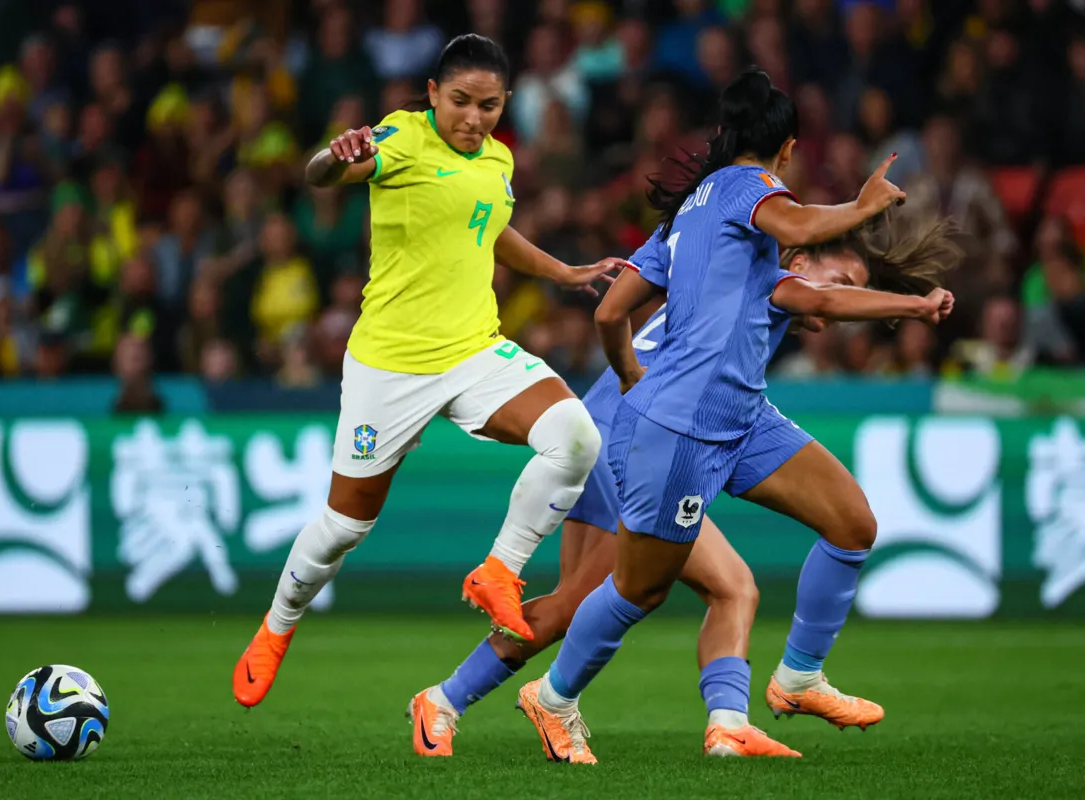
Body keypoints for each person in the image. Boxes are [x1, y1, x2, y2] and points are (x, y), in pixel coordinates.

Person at [514, 68, 958, 764]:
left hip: (742, 415)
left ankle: (799, 677)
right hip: (686, 425)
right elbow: (806, 224)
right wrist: (866, 205)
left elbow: (609, 311)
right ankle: (554, 695)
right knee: (636, 588)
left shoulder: (702, 213)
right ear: (785, 148)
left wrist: (915, 305)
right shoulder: (750, 192)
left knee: (851, 523)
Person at [407, 207, 961, 758]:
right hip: (638, 437)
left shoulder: (725, 278)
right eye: (841, 279)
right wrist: (913, 303)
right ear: (796, 256)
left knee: (694, 591)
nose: (842, 300)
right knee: (661, 594)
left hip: (616, 424)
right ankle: (452, 699)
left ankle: (724, 725)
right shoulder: (763, 276)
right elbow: (816, 301)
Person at [233, 34, 627, 709]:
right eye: (461, 103)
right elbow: (322, 175)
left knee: (576, 437)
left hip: (473, 349)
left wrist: (562, 270)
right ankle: (276, 627)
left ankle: (498, 570)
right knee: (343, 529)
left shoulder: (498, 159)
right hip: (388, 365)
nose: (475, 119)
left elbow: (488, 227)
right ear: (432, 95)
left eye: (490, 106)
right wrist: (336, 154)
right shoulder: (400, 138)